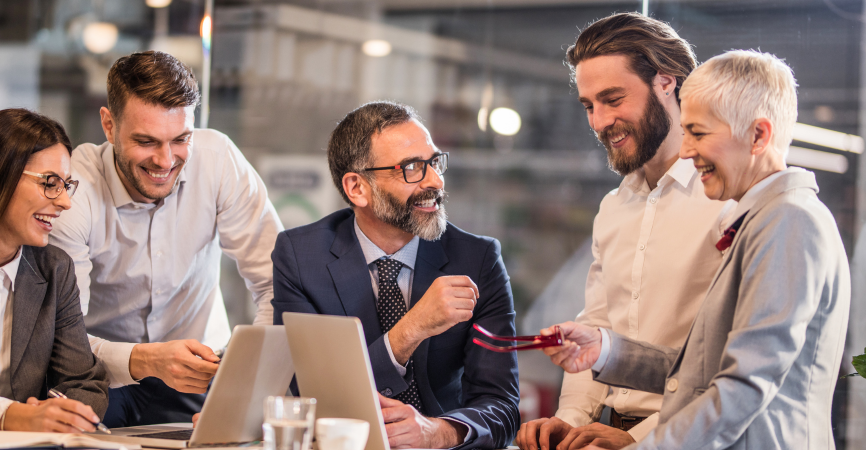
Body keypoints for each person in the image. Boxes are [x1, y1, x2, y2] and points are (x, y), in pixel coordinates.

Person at [539, 50, 850, 450]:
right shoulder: (760, 218)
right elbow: (701, 373)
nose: (685, 151)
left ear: (758, 136)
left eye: (699, 134)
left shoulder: (790, 221)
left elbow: (743, 385)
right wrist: (606, 351)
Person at [516, 13, 729, 450]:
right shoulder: (613, 207)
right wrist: (570, 419)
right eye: (589, 105)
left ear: (667, 82)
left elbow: (729, 366)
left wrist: (636, 439)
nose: (598, 121)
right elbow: (596, 326)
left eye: (613, 99)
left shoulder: (725, 202)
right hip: (609, 429)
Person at [48, 51, 283, 427]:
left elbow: (278, 285)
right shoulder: (73, 192)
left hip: (204, 378)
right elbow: (61, 338)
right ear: (108, 126)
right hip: (100, 379)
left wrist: (243, 378)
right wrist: (145, 360)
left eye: (180, 139)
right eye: (146, 141)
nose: (165, 160)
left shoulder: (218, 159)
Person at [271, 101, 519, 450]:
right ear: (357, 188)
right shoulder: (300, 257)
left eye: (434, 162)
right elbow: (310, 396)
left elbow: (503, 407)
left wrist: (436, 432)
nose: (435, 181)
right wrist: (410, 329)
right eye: (413, 168)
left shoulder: (477, 258)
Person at [0, 108, 108, 432]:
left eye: (66, 185)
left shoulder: (55, 270)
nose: (65, 202)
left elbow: (85, 383)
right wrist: (16, 417)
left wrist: (60, 413)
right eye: (49, 183)